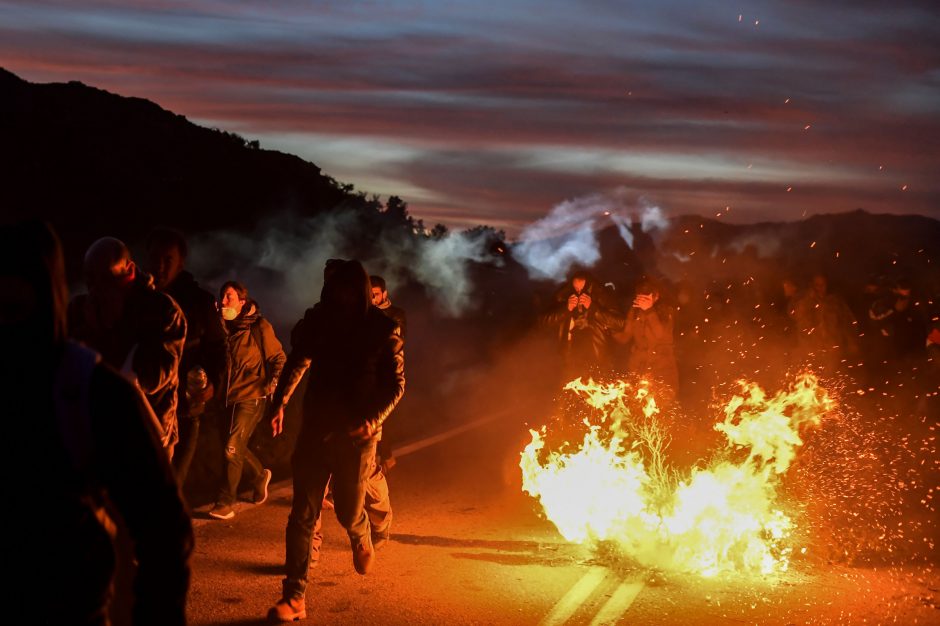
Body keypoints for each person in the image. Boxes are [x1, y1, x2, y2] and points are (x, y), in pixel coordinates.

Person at [1, 220, 193, 625]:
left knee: (134, 542)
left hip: (146, 429)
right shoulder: (79, 311)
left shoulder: (160, 312)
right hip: (87, 438)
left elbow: (158, 374)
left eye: (14, 307)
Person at [267, 260, 404, 622]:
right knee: (303, 514)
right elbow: (298, 360)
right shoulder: (320, 321)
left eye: (347, 291)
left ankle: (360, 534)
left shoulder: (382, 329)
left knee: (346, 508)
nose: (340, 298)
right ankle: (294, 596)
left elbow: (396, 385)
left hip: (356, 437)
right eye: (335, 290)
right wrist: (279, 402)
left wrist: (371, 419)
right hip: (316, 429)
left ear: (358, 292)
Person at [68, 236, 187, 458]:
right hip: (100, 435)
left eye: (108, 280)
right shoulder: (81, 311)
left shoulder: (162, 310)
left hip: (151, 435)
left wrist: (115, 327)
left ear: (129, 271)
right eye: (92, 281)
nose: (99, 291)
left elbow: (152, 376)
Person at [146, 227, 227, 488]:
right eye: (155, 258)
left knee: (171, 486)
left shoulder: (199, 303)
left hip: (185, 410)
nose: (159, 266)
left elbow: (217, 348)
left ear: (180, 263)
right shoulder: (138, 300)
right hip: (144, 410)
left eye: (167, 260)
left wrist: (213, 381)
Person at [208, 281, 286, 520]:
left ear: (242, 302)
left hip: (252, 395)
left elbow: (279, 358)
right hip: (226, 397)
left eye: (229, 297)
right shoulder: (223, 329)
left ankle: (225, 502)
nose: (223, 302)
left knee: (231, 448)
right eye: (222, 297)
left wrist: (273, 387)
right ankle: (259, 475)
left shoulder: (259, 326)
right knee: (234, 448)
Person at [542, 269, 623, 381]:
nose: (579, 292)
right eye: (575, 288)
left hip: (598, 356)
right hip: (570, 357)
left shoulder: (601, 294)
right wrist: (566, 309)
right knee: (572, 392)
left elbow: (619, 323)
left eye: (582, 288)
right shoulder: (563, 295)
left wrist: (594, 308)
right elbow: (544, 321)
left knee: (597, 393)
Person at [613, 277, 679, 399]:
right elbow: (625, 336)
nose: (642, 302)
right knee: (636, 405)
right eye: (640, 298)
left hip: (662, 368)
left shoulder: (666, 312)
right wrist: (607, 327)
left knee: (659, 405)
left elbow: (661, 335)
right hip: (638, 367)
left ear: (656, 296)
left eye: (646, 298)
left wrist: (649, 311)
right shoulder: (634, 311)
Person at [370, 274, 407, 340]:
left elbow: (398, 338)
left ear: (384, 294)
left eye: (376, 294)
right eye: (370, 294)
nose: (373, 298)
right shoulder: (362, 311)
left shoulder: (397, 314)